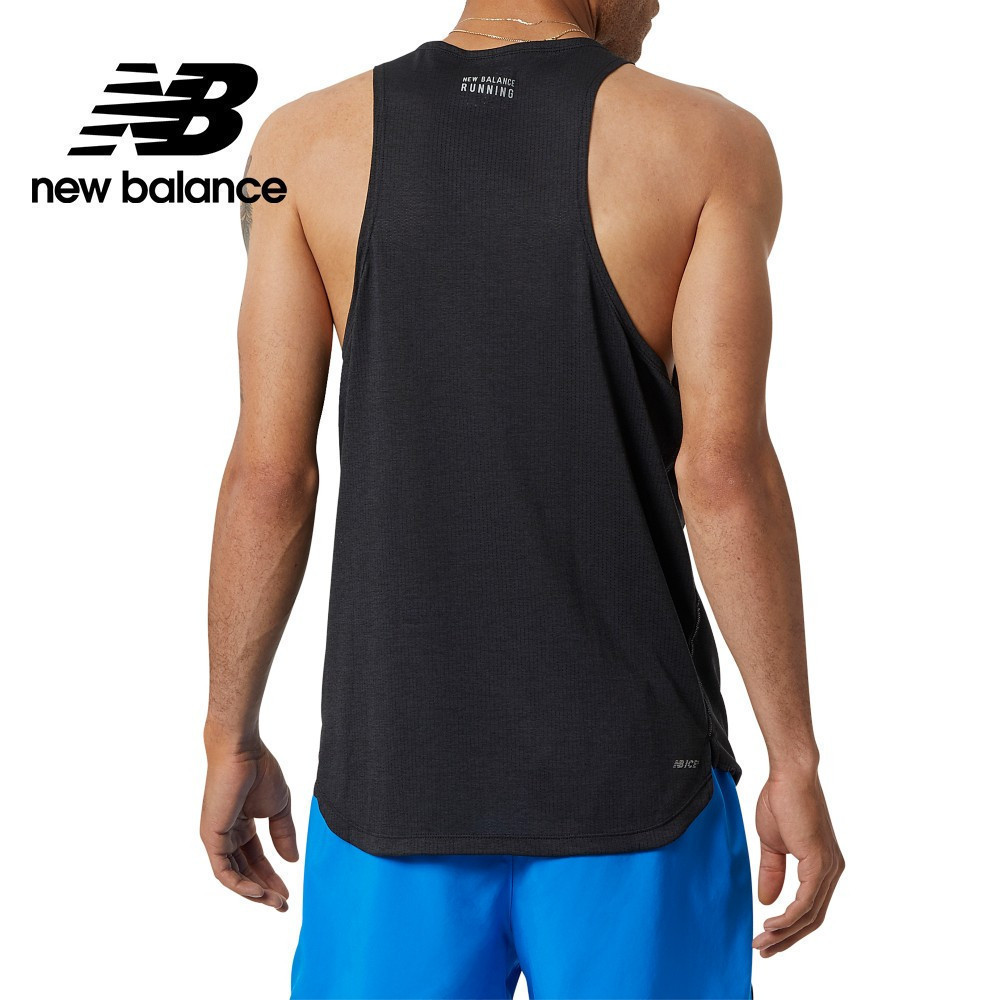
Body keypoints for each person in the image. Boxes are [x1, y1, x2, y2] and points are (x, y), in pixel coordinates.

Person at [200, 2, 844, 997]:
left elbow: (270, 475)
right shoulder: (708, 143)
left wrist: (228, 735)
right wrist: (792, 758)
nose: (659, 2)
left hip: (391, 781)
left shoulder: (302, 143)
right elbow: (723, 473)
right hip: (639, 784)